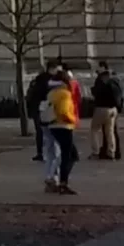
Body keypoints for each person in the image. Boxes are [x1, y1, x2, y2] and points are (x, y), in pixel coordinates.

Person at [44, 65, 80, 194]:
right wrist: (73, 119)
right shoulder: (65, 94)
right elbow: (64, 111)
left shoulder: (52, 93)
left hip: (54, 125)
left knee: (67, 154)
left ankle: (56, 179)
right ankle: (62, 182)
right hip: (64, 126)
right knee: (69, 155)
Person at [90, 64, 124, 161]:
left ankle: (95, 152)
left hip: (101, 108)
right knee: (110, 131)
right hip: (113, 109)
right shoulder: (116, 81)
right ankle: (111, 151)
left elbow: (97, 94)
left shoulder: (102, 82)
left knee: (94, 130)